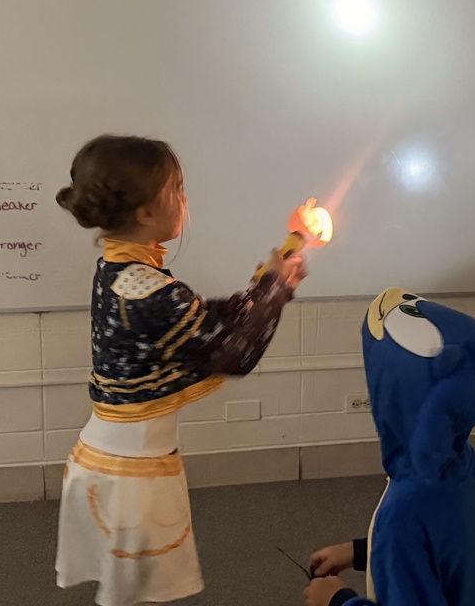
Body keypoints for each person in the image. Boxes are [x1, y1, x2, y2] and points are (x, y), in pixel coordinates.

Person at [53, 134, 306, 606]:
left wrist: (267, 287)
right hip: (130, 476)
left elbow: (201, 322)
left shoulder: (120, 271)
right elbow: (232, 351)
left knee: (128, 592)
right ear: (147, 212)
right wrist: (274, 288)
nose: (185, 202)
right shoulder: (148, 288)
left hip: (114, 460)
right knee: (135, 596)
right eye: (178, 189)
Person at [303, 288, 475, 606]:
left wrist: (338, 601)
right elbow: (444, 546)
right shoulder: (466, 465)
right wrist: (365, 550)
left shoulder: (402, 514)